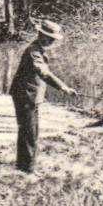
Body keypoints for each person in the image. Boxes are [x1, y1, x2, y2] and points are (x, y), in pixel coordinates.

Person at [11, 19, 79, 172]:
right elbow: (44, 73)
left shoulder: (38, 50)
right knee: (30, 133)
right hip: (26, 96)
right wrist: (63, 87)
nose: (53, 42)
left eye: (54, 40)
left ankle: (23, 166)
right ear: (43, 36)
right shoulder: (34, 52)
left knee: (27, 131)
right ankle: (28, 170)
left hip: (28, 96)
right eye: (51, 39)